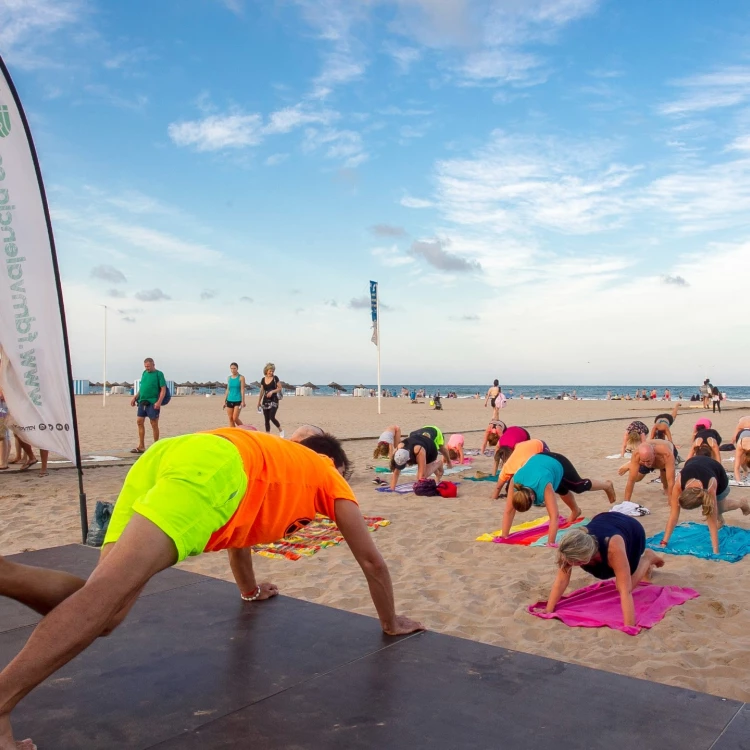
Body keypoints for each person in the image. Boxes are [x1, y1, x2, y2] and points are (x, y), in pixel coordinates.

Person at [0, 429, 424, 749]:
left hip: (166, 455)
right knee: (103, 599)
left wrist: (250, 590)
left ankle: (5, 574)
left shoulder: (275, 462)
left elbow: (241, 543)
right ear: (332, 461)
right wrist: (389, 622)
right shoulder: (327, 473)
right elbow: (371, 560)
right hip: (213, 469)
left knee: (105, 609)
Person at [545, 514, 664, 628]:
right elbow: (561, 580)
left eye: (576, 562)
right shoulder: (570, 546)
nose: (572, 565)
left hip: (632, 532)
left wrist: (629, 626)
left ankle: (647, 558)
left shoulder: (613, 548)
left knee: (626, 585)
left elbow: (625, 592)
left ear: (587, 556)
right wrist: (548, 610)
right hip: (605, 520)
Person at [662, 455, 750, 555]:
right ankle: (720, 519)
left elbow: (711, 521)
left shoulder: (710, 487)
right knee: (716, 510)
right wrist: (664, 542)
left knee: (720, 508)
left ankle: (741, 503)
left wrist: (715, 550)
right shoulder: (678, 484)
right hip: (696, 462)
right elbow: (673, 516)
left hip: (719, 476)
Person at [500, 453, 582, 546]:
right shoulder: (515, 481)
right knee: (561, 489)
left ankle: (602, 485)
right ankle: (576, 511)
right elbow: (509, 511)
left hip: (557, 461)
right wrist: (504, 536)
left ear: (532, 497)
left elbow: (554, 516)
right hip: (540, 464)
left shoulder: (544, 485)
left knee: (580, 486)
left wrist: (550, 543)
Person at [389, 426, 452, 491]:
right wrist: (392, 489)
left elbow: (421, 475)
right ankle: (434, 469)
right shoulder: (398, 451)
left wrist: (418, 486)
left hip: (430, 448)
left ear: (408, 458)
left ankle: (439, 464)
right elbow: (396, 472)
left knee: (421, 477)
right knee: (421, 475)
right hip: (418, 441)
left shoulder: (419, 451)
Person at [130, 358, 167, 454]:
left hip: (153, 402)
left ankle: (156, 446)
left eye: (148, 366)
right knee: (139, 422)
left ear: (153, 364)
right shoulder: (144, 373)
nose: (147, 368)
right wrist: (135, 397)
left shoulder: (159, 374)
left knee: (154, 423)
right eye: (145, 366)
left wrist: (159, 402)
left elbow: (163, 390)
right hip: (142, 401)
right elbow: (142, 388)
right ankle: (141, 446)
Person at [257, 363, 283, 437]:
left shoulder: (275, 378)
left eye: (272, 371)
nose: (271, 373)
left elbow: (280, 387)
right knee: (266, 419)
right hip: (265, 400)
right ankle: (267, 434)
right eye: (270, 371)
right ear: (266, 370)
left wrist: (272, 392)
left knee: (272, 416)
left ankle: (280, 430)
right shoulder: (263, 379)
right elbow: (262, 391)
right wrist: (258, 402)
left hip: (274, 399)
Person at [223, 363, 246, 428]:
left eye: (234, 368)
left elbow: (242, 390)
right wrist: (225, 401)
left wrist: (243, 401)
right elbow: (227, 390)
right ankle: (233, 433)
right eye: (231, 368)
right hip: (229, 399)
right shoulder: (229, 378)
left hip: (238, 400)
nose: (233, 370)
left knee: (235, 418)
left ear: (237, 369)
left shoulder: (241, 378)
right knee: (230, 418)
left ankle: (244, 430)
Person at [733, 416, 750, 484]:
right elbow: (736, 467)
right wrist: (738, 481)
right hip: (741, 436)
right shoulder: (740, 446)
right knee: (741, 461)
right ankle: (745, 470)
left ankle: (745, 471)